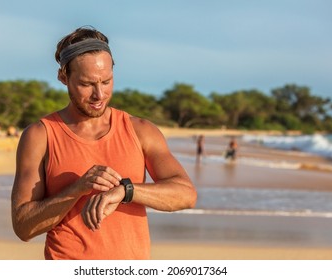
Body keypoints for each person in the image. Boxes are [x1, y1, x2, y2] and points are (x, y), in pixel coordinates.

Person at [11, 26, 197, 260]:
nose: (99, 95)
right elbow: (23, 227)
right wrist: (77, 189)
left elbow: (186, 194)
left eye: (106, 81)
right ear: (63, 77)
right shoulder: (41, 135)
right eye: (87, 84)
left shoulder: (140, 130)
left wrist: (125, 191)